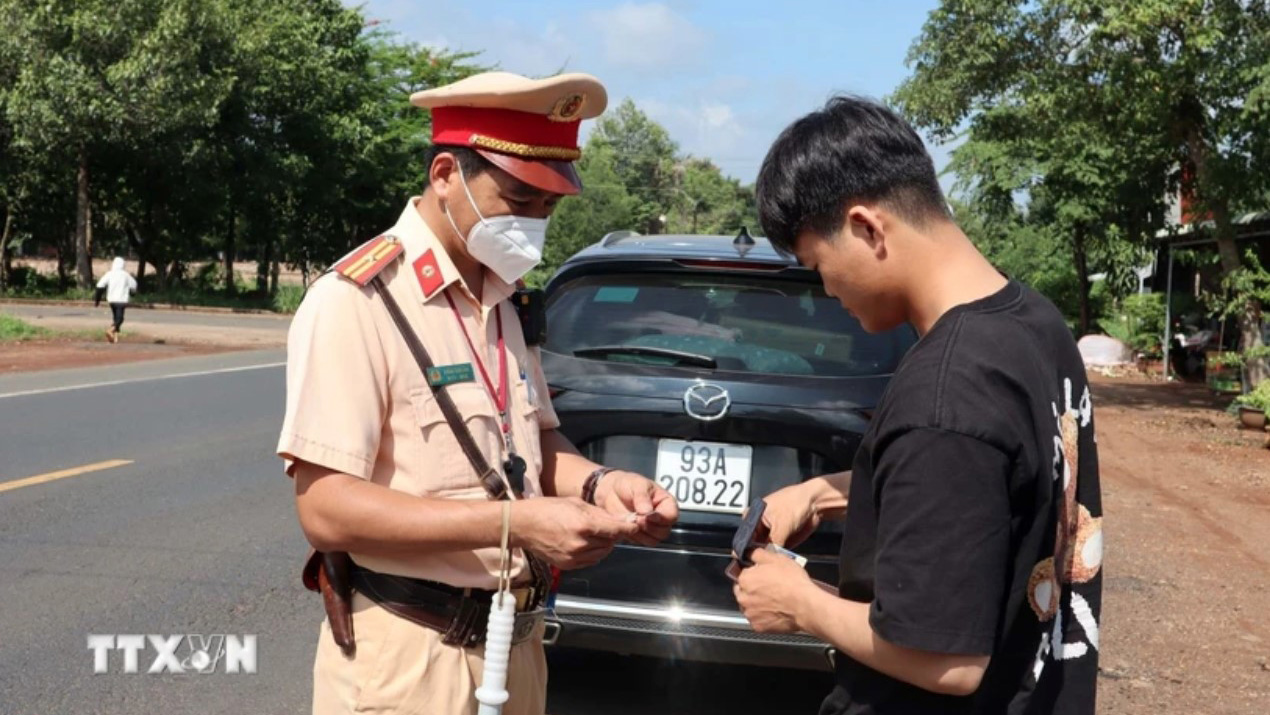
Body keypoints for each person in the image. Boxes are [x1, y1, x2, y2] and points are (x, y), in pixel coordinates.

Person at [277, 71, 679, 715]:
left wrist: (601, 485)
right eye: (518, 198)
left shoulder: (503, 302)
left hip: (515, 645)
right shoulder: (358, 300)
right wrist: (515, 523)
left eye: (548, 207)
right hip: (411, 658)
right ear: (444, 174)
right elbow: (325, 509)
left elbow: (535, 443)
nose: (534, 223)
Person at [732, 96, 1103, 714]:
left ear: (866, 227)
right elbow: (987, 488)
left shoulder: (946, 390)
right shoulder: (1033, 324)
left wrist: (800, 602)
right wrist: (824, 493)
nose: (825, 290)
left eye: (818, 266)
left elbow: (944, 661)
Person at [94, 257, 137, 343]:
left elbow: (100, 286)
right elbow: (134, 285)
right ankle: (110, 330)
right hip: (121, 300)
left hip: (112, 300)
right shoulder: (125, 275)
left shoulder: (110, 274)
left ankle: (115, 338)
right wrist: (132, 293)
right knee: (120, 319)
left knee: (115, 318)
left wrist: (97, 300)